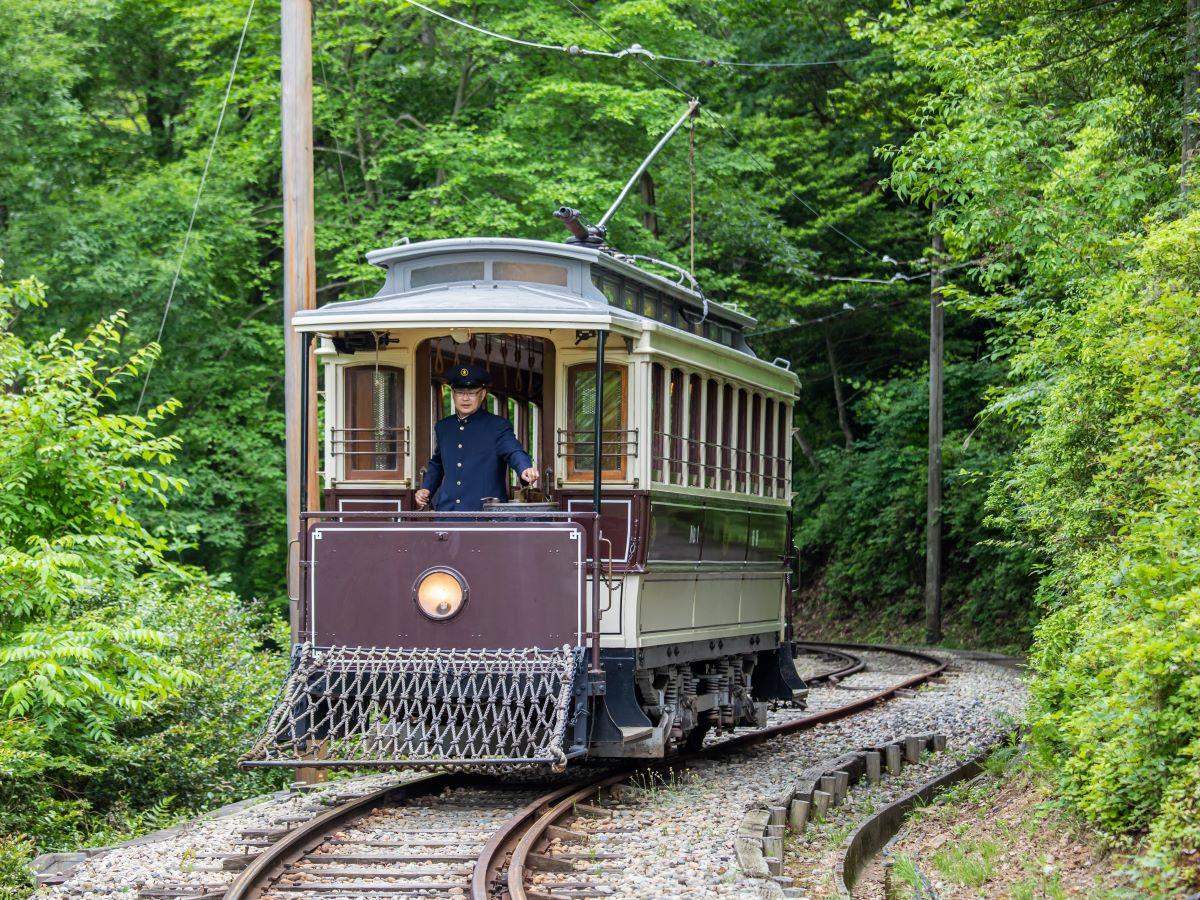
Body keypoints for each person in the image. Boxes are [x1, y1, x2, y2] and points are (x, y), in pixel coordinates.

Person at [415, 363, 539, 511]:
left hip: (485, 514)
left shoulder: (497, 426)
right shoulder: (443, 427)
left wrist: (524, 467)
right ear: (453, 394)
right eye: (460, 392)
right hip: (448, 512)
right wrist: (426, 489)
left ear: (483, 394)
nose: (465, 398)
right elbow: (438, 464)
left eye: (472, 392)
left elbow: (514, 451)